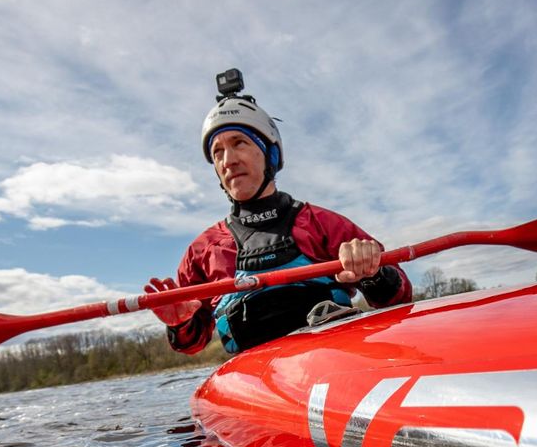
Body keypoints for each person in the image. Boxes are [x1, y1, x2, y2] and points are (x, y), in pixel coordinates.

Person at [145, 71, 412, 354]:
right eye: (218, 152)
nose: (229, 160)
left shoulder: (322, 224)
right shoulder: (202, 252)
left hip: (332, 356)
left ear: (270, 153)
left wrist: (373, 273)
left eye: (239, 143)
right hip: (254, 377)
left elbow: (399, 297)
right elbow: (192, 342)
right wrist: (179, 324)